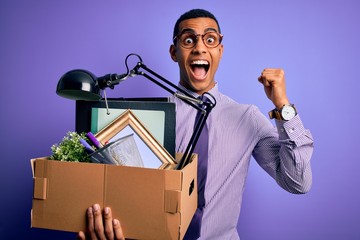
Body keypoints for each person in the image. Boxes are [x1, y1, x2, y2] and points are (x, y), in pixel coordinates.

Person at [78, 8, 313, 240]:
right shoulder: (144, 118)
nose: (200, 47)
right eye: (189, 40)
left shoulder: (247, 118)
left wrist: (283, 106)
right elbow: (122, 192)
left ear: (220, 51)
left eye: (210, 40)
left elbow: (297, 182)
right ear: (174, 52)